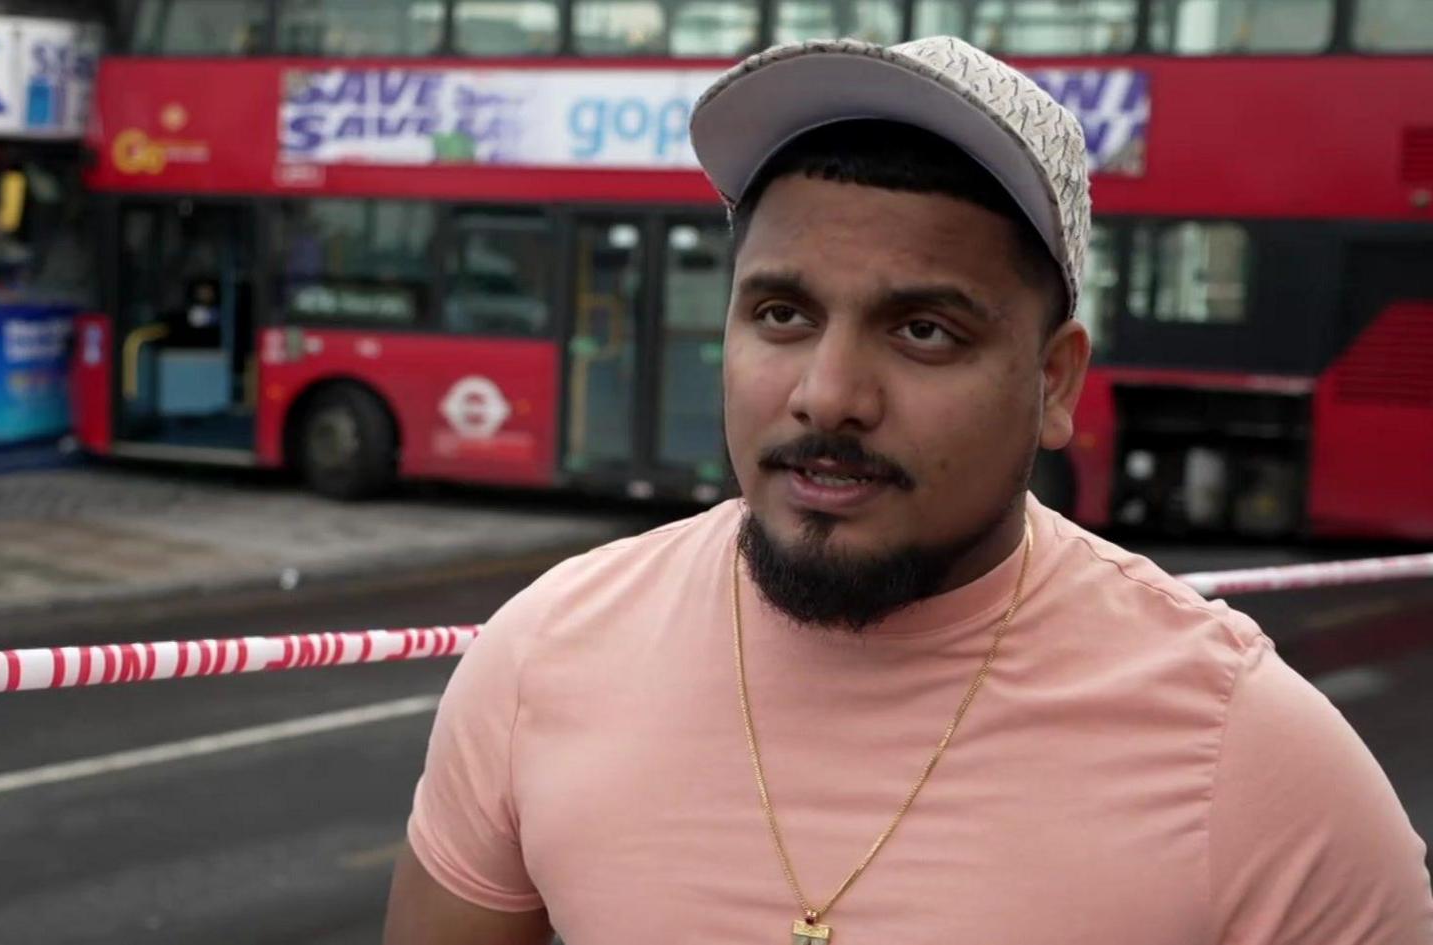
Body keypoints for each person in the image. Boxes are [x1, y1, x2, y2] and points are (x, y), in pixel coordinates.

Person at [382, 36, 1433, 945]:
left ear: (1054, 382)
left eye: (925, 331)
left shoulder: (1246, 754)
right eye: (782, 316)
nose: (827, 396)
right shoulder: (540, 656)